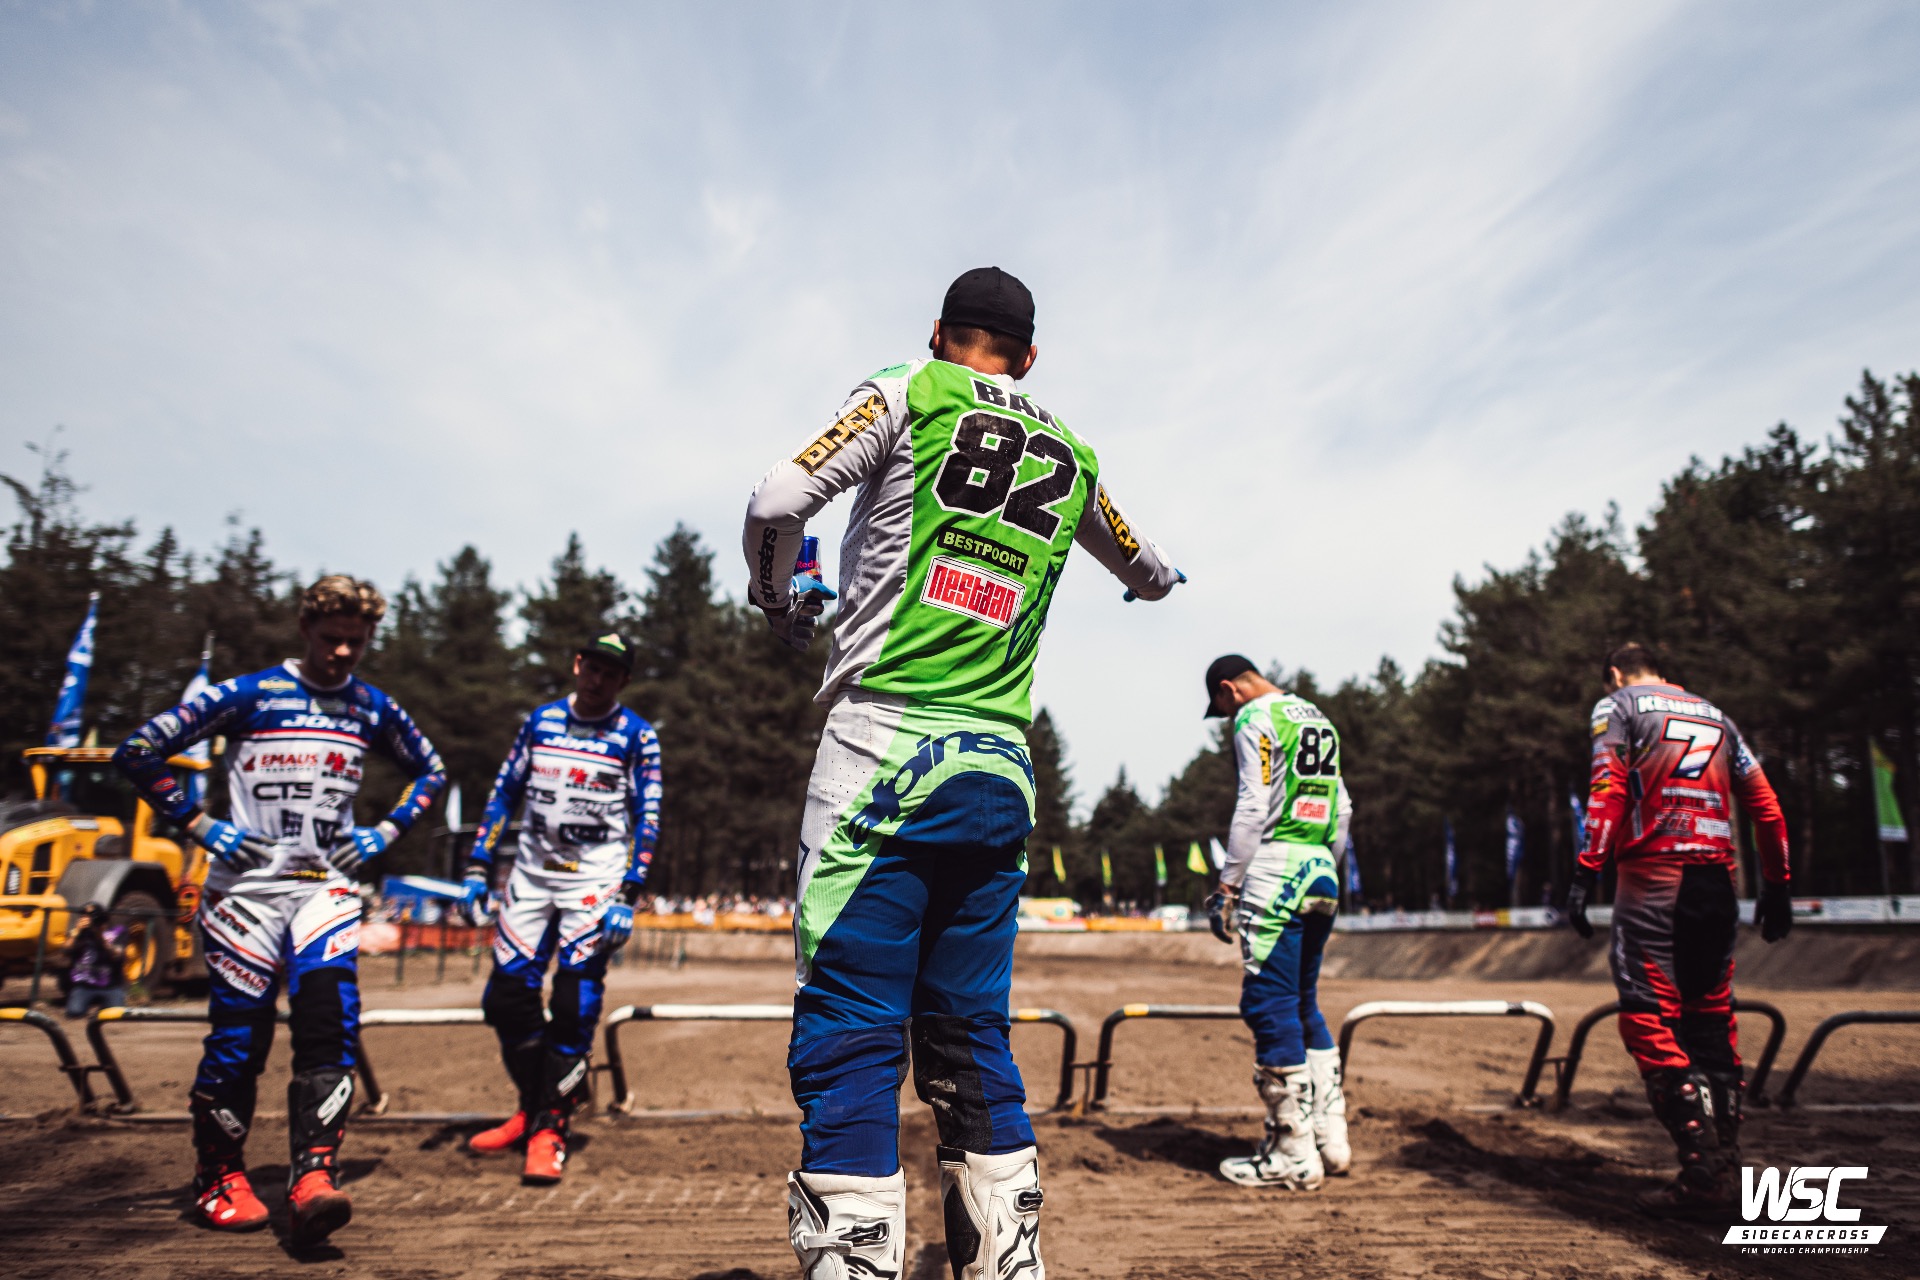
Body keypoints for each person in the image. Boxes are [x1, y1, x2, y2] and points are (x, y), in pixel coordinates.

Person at [743, 266, 1183, 1280]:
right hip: (998, 766)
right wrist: (1160, 580)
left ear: (940, 331)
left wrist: (775, 598)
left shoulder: (910, 387)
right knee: (972, 1030)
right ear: (1029, 357)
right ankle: (1009, 1263)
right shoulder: (1073, 450)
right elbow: (1144, 564)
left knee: (853, 1027)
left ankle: (856, 1263)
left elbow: (778, 500)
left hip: (882, 750)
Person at [113, 576, 445, 1245]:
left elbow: (431, 771)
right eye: (332, 638)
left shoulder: (371, 705)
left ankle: (314, 1177)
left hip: (324, 888)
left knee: (328, 1026)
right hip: (245, 893)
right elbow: (138, 750)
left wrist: (384, 833)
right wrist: (200, 825)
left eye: (356, 641)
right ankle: (218, 1176)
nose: (343, 652)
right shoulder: (250, 693)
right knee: (241, 1039)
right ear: (305, 629)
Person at [1565, 642, 1792, 1216]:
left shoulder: (1617, 705)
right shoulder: (1716, 714)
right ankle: (1726, 1167)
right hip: (1718, 883)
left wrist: (1586, 869)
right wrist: (1777, 884)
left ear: (1615, 674)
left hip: (1654, 882)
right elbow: (1767, 807)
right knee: (1711, 1021)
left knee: (1649, 1018)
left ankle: (1701, 1173)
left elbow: (1608, 788)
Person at [460, 633, 661, 1184]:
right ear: (576, 665)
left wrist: (628, 893)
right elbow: (503, 793)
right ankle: (533, 1107)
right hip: (530, 878)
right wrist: (477, 864)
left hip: (594, 884)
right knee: (505, 1000)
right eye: (591, 667)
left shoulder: (637, 735)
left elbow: (648, 815)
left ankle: (551, 1127)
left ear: (624, 681)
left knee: (573, 1004)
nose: (598, 679)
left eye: (610, 673)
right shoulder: (540, 721)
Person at [1201, 655, 1353, 1190]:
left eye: (1221, 709)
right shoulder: (1316, 716)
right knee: (1304, 1003)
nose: (1226, 719)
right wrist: (1325, 863)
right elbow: (1343, 809)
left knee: (1268, 1005)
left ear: (1229, 691)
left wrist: (1229, 884)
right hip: (1321, 867)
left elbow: (1253, 801)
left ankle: (1292, 1152)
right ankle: (1330, 1140)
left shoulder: (1253, 716)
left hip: (1274, 869)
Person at [61, 903, 128, 1019]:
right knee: (74, 1012)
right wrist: (77, 932)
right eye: (83, 916)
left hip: (110, 986)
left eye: (89, 916)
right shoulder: (79, 933)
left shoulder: (117, 931)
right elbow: (65, 951)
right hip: (85, 985)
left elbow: (116, 955)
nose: (85, 919)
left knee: (116, 1015)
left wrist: (99, 935)